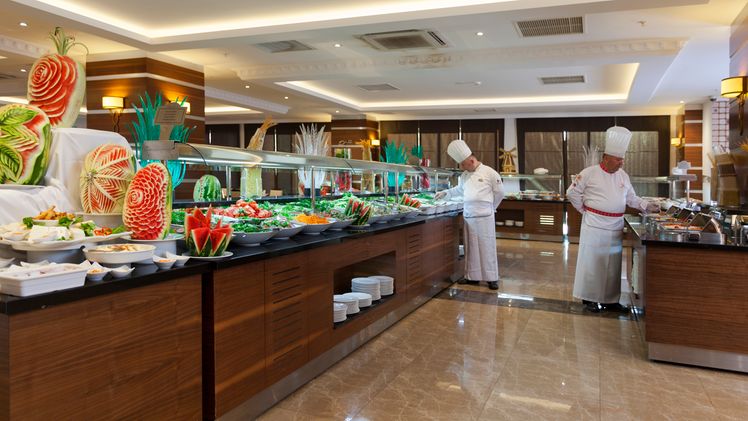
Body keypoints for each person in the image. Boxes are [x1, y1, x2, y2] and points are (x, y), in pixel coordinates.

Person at [566, 126, 659, 313]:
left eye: (622, 159)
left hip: (615, 225)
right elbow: (572, 193)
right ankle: (589, 298)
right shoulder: (589, 172)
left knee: (612, 266)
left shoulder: (623, 176)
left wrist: (646, 205)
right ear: (606, 158)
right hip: (594, 224)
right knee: (593, 263)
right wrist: (583, 209)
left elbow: (631, 198)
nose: (621, 163)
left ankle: (610, 300)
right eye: (618, 159)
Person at [435, 140, 504, 290]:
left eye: (463, 164)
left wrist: (492, 208)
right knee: (471, 248)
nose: (462, 167)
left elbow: (499, 193)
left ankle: (492, 278)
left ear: (472, 161)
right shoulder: (465, 175)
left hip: (485, 216)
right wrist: (445, 193)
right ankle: (472, 277)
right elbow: (459, 190)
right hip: (469, 216)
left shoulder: (490, 173)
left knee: (487, 247)